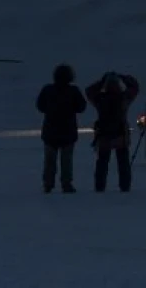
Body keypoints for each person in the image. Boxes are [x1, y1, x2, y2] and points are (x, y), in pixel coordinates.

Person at [36, 63, 88, 193]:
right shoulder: (73, 91)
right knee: (66, 161)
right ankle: (66, 184)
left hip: (50, 132)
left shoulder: (48, 90)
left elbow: (40, 106)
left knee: (49, 161)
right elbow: (82, 107)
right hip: (68, 131)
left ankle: (48, 184)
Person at [85, 72, 140, 193]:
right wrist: (124, 77)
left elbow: (88, 91)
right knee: (123, 162)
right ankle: (125, 186)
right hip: (121, 135)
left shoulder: (100, 99)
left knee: (102, 163)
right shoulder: (124, 98)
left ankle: (100, 187)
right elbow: (135, 87)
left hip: (104, 135)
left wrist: (101, 81)